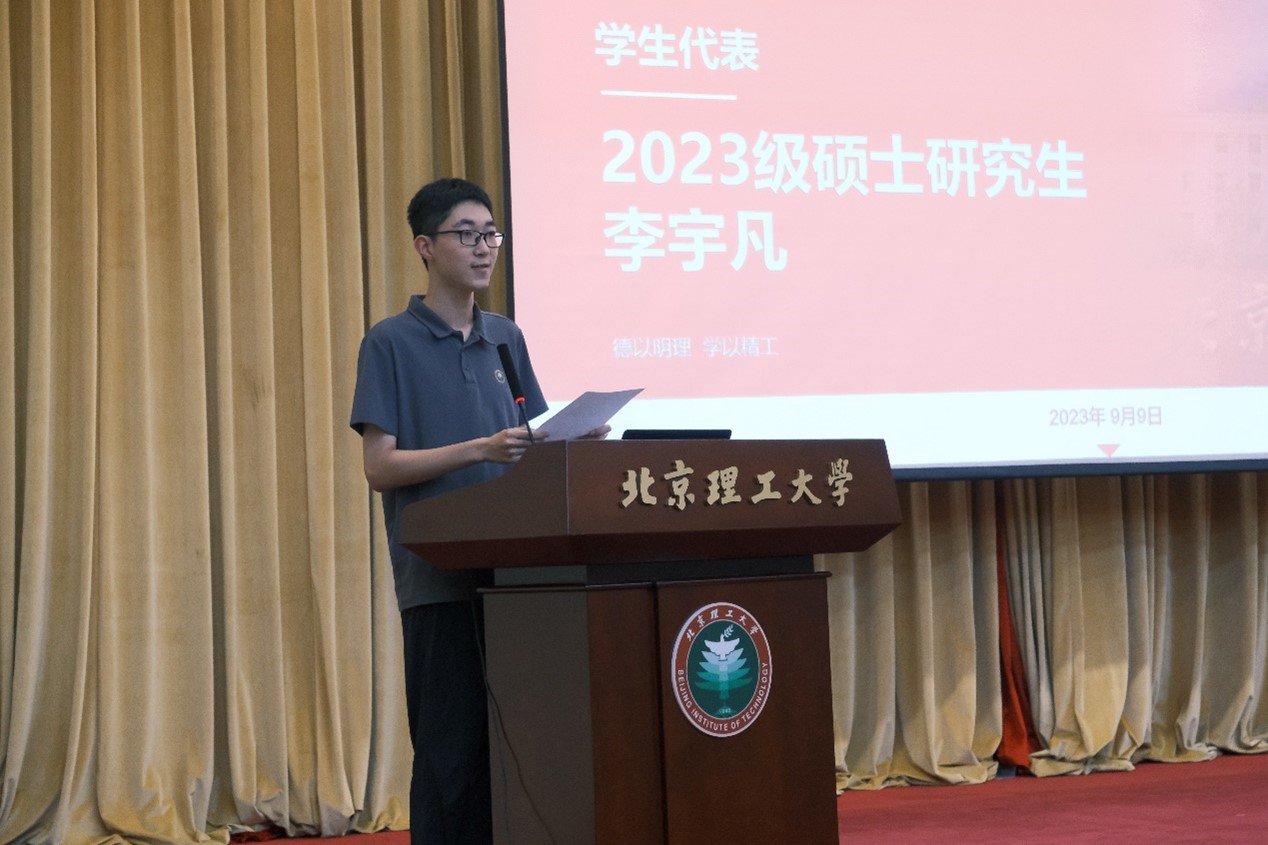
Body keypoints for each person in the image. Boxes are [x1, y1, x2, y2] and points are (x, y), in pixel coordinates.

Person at [350, 177, 604, 843]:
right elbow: (379, 466)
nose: (485, 247)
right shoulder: (390, 342)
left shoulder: (505, 339)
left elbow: (528, 441)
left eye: (491, 233)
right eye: (467, 234)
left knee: (518, 751)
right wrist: (478, 449)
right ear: (425, 246)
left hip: (519, 578)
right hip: (437, 581)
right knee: (450, 755)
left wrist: (573, 439)